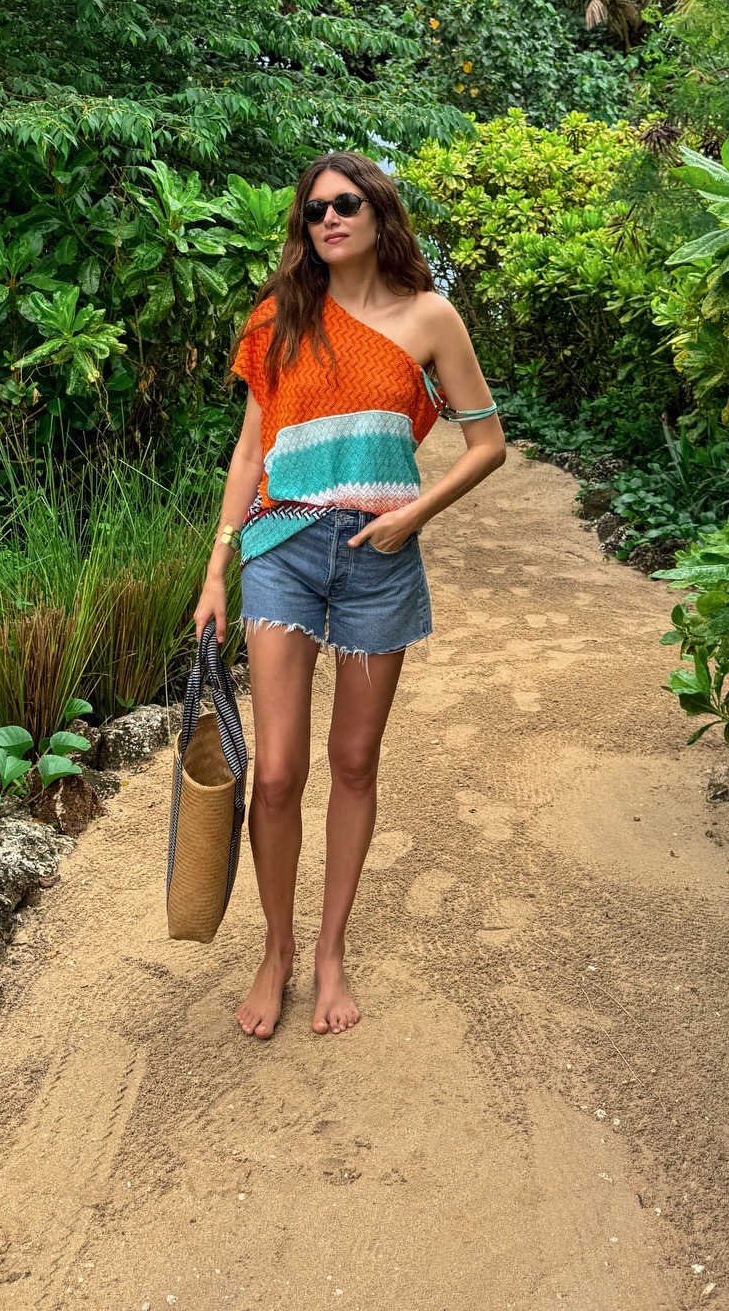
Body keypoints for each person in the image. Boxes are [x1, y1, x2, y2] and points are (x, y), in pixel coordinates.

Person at [193, 150, 505, 1039]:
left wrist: (414, 518)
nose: (327, 219)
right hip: (282, 545)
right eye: (313, 210)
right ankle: (277, 951)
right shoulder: (279, 321)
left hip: (379, 554)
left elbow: (488, 446)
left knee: (355, 762)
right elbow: (251, 454)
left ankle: (329, 954)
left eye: (345, 205)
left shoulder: (429, 318)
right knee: (281, 770)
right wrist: (218, 567)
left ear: (378, 215)